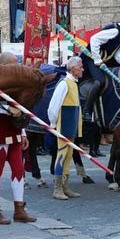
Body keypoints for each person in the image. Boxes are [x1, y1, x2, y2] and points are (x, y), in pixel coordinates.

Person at [80, 9, 120, 157]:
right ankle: (87, 111)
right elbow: (94, 40)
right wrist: (96, 59)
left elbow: (118, 52)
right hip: (90, 59)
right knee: (100, 81)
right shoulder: (114, 30)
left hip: (102, 61)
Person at [0, 52, 36, 225]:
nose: (17, 67)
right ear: (5, 65)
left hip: (14, 132)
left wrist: (23, 133)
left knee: (19, 170)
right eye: (14, 64)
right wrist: (8, 109)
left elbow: (20, 109)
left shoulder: (15, 83)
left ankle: (19, 209)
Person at [48, 56, 84, 200]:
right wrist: (53, 125)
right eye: (80, 66)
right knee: (62, 155)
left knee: (68, 157)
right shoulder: (64, 83)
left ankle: (65, 186)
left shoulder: (74, 83)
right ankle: (57, 189)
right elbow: (53, 106)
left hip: (71, 126)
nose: (82, 69)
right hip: (63, 127)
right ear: (73, 68)